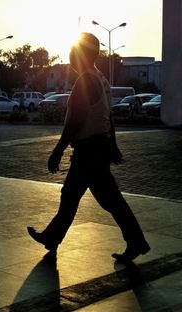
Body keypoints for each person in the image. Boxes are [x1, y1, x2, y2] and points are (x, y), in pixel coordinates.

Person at [27, 32, 150, 263]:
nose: (71, 57)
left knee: (104, 199)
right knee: (76, 196)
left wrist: (58, 150)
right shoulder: (99, 78)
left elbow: (77, 120)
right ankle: (53, 237)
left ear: (83, 54)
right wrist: (112, 144)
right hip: (96, 148)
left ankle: (136, 241)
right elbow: (108, 116)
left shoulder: (87, 80)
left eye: (73, 52)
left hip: (89, 151)